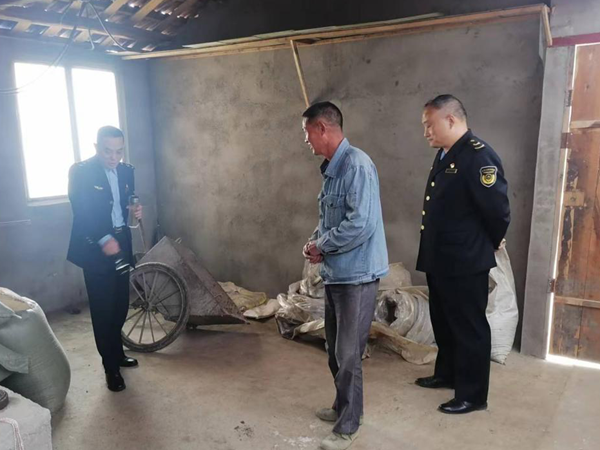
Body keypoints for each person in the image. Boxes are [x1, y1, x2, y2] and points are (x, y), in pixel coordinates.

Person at [415, 95, 510, 414]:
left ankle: (473, 394)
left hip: (465, 260)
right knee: (443, 321)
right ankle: (448, 373)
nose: (426, 132)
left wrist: (489, 242)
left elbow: (497, 211)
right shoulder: (446, 153)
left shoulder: (477, 156)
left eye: (430, 125)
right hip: (441, 258)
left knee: (469, 327)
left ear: (451, 120)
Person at [302, 102, 388, 450]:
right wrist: (314, 242)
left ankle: (348, 426)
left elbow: (361, 224)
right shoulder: (334, 170)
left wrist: (323, 245)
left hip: (357, 276)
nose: (306, 140)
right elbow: (330, 218)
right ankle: (344, 406)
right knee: (335, 351)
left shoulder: (357, 166)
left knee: (349, 354)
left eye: (307, 132)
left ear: (322, 128)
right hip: (337, 273)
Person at [67, 126, 142, 392]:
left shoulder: (126, 171)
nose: (114, 157)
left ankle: (118, 354)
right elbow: (82, 212)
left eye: (119, 151)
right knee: (103, 310)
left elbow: (127, 201)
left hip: (121, 241)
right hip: (95, 247)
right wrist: (103, 239)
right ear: (97, 147)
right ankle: (110, 367)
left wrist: (135, 209)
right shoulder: (81, 172)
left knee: (120, 305)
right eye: (108, 151)